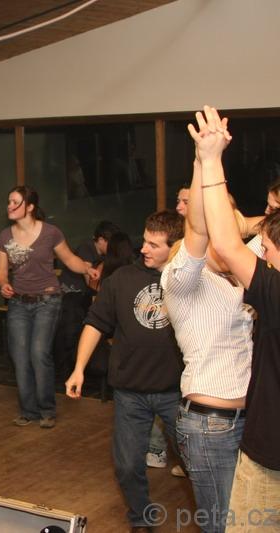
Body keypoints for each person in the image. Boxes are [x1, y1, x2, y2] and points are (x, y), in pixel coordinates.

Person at [65, 210, 184, 532]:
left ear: (175, 247)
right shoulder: (121, 280)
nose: (143, 249)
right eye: (144, 241)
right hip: (131, 392)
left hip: (177, 392)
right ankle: (141, 519)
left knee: (197, 463)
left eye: (154, 245)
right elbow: (95, 324)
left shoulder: (186, 280)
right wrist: (79, 369)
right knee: (128, 465)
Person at [160, 124, 253, 533]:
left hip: (251, 419)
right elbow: (197, 229)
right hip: (209, 425)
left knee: (249, 521)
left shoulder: (240, 276)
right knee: (221, 525)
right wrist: (203, 160)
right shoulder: (182, 279)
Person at [191, 106, 280, 531]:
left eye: (270, 250)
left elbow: (226, 245)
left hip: (271, 460)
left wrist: (210, 160)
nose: (265, 256)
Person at [0, 185, 99, 428]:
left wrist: (87, 268)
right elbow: (0, 272)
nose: (10, 206)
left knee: (39, 352)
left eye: (15, 202)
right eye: (9, 201)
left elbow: (69, 259)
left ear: (30, 207)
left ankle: (47, 409)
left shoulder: (51, 233)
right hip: (19, 302)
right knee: (20, 356)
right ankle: (28, 411)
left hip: (47, 299)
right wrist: (3, 284)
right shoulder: (4, 237)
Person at [54, 220, 120, 380]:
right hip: (70, 294)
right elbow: (89, 279)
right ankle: (68, 369)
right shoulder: (87, 248)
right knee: (72, 331)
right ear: (101, 240)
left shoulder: (100, 254)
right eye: (110, 243)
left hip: (80, 296)